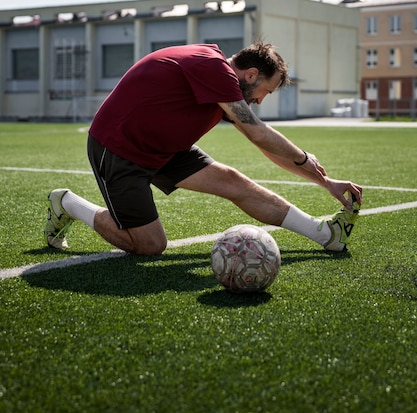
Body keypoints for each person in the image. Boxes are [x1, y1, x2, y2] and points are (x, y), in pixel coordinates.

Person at [44, 42, 362, 255]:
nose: (261, 100)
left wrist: (324, 181)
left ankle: (324, 234)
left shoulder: (222, 85)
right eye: (265, 90)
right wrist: (306, 159)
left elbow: (267, 147)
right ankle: (68, 203)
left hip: (165, 149)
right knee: (150, 245)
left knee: (235, 183)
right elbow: (260, 134)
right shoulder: (214, 68)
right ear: (250, 74)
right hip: (119, 148)